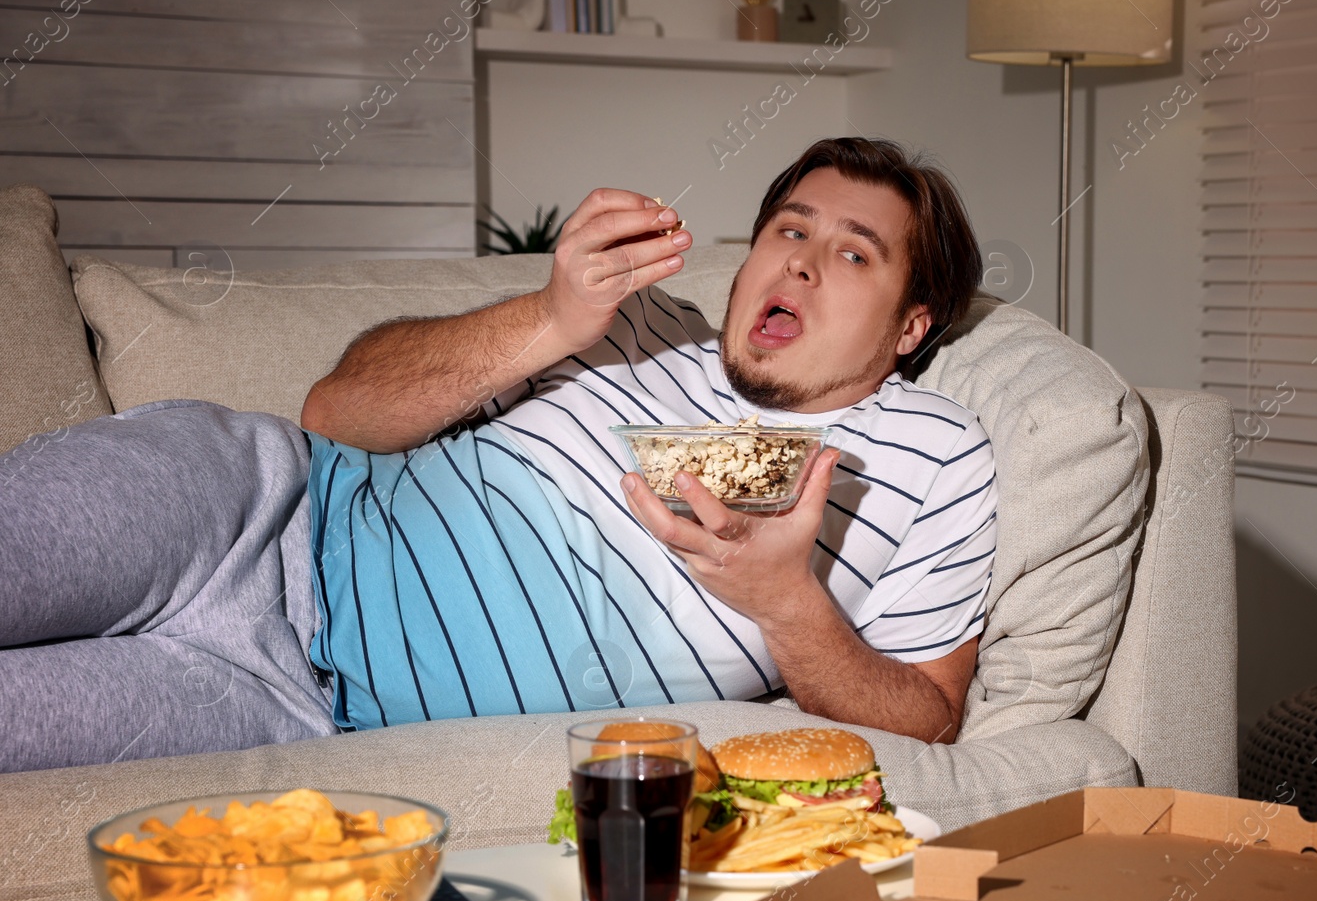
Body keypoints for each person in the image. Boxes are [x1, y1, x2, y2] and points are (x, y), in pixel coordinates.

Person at [0, 137, 993, 773]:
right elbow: (336, 409)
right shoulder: (633, 321)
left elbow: (929, 716)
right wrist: (549, 318)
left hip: (291, 704)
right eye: (789, 228)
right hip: (258, 502)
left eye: (854, 251)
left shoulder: (929, 450)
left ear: (910, 325)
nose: (803, 260)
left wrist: (785, 603)